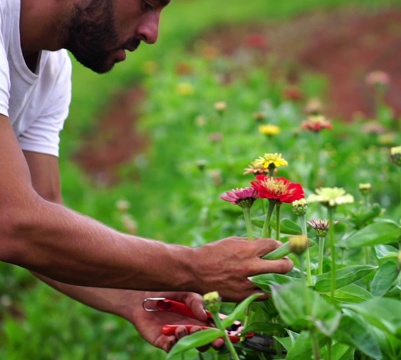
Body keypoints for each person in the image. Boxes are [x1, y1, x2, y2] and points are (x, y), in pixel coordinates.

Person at [0, 0, 293, 352]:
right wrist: (193, 267)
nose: (151, 33)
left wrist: (137, 296)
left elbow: (44, 214)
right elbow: (14, 221)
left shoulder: (52, 71)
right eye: (146, 4)